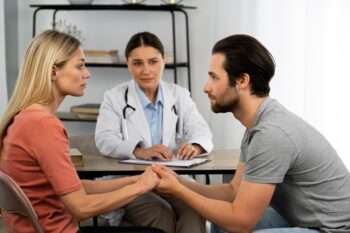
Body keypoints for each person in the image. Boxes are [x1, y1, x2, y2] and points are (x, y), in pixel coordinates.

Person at [151, 34, 350, 233]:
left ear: (242, 80)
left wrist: (179, 192)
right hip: (306, 221)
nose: (206, 87)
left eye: (214, 77)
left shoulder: (271, 133)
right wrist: (180, 182)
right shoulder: (258, 124)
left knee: (233, 224)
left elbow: (241, 222)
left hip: (334, 229)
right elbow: (233, 191)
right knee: (221, 224)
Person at [0, 30, 163, 233]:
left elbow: (74, 187)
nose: (87, 73)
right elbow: (81, 208)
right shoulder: (44, 126)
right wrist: (140, 188)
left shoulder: (23, 119)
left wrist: (137, 179)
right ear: (53, 72)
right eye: (80, 66)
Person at [95, 31, 212, 233]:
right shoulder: (114, 97)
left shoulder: (179, 95)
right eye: (137, 63)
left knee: (194, 210)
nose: (146, 70)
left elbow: (201, 130)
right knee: (160, 212)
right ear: (128, 64)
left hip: (170, 178)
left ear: (163, 61)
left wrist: (194, 145)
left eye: (153, 61)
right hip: (131, 183)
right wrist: (139, 151)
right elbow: (104, 139)